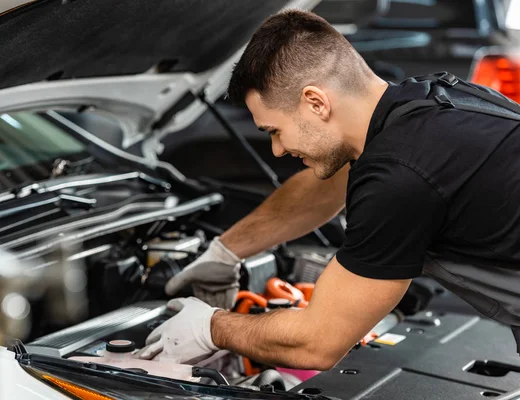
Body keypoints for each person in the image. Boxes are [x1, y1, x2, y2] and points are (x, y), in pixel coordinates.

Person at [136, 10, 520, 370]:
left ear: (316, 102)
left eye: (274, 130)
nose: (277, 150)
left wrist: (211, 328)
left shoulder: (399, 177)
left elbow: (318, 343)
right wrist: (226, 251)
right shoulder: (425, 101)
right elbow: (328, 187)